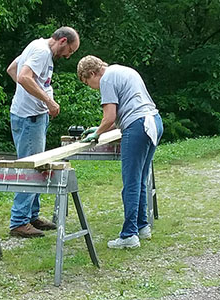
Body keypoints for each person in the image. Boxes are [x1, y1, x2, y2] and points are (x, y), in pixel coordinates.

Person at [77, 55, 163, 249]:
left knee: (131, 183)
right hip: (154, 121)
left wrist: (96, 133)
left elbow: (110, 117)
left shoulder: (106, 78)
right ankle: (142, 227)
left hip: (138, 126)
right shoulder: (123, 70)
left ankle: (129, 235)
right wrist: (99, 128)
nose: (91, 87)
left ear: (91, 73)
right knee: (140, 179)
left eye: (87, 82)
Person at [6, 27, 80, 238]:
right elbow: (22, 77)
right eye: (69, 51)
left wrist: (29, 95)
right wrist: (47, 101)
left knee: (37, 167)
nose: (67, 56)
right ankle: (19, 221)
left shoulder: (36, 45)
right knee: (31, 169)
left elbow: (13, 69)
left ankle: (31, 216)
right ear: (63, 41)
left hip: (30, 117)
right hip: (30, 119)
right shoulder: (42, 52)